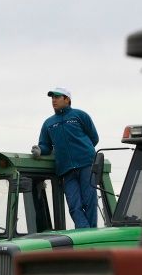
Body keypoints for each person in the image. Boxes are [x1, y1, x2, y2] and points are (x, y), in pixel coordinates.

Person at [32, 87, 99, 228]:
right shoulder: (48, 123)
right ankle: (86, 232)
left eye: (57, 97)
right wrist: (39, 150)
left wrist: (83, 152)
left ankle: (91, 234)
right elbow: (45, 145)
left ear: (67, 99)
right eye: (52, 98)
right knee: (74, 205)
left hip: (86, 165)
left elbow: (94, 138)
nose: (54, 100)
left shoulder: (80, 115)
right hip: (66, 169)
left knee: (89, 202)